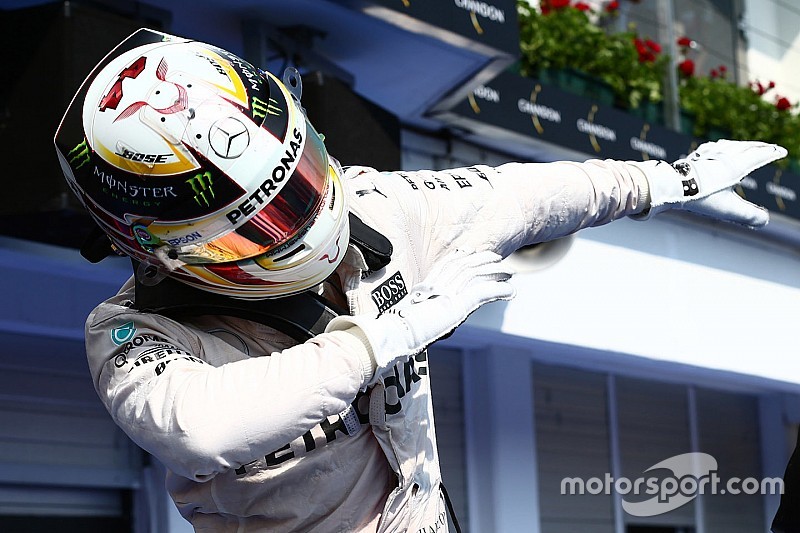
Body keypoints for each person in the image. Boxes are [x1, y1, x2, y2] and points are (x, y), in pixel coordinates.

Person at [54, 28, 786, 533]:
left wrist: (671, 179)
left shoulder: (379, 206)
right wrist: (385, 336)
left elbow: (529, 194)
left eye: (304, 176)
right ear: (162, 249)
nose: (308, 217)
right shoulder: (135, 333)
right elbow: (200, 425)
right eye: (261, 221)